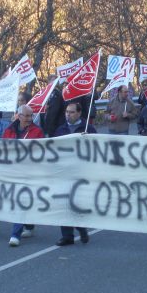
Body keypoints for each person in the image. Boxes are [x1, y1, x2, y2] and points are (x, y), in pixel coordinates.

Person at [54, 102, 96, 246]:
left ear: (79, 113)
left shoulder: (88, 129)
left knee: (76, 203)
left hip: (81, 173)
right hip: (64, 172)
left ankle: (81, 227)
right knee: (63, 203)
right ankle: (67, 236)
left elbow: (97, 149)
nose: (68, 114)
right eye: (66, 112)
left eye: (71, 112)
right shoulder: (61, 129)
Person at [3, 105, 45, 246]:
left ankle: (15, 234)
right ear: (18, 116)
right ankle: (29, 226)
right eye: (26, 116)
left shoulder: (37, 131)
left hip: (29, 172)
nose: (28, 119)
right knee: (21, 200)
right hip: (12, 171)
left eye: (30, 116)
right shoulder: (8, 130)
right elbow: (2, 148)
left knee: (21, 200)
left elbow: (41, 151)